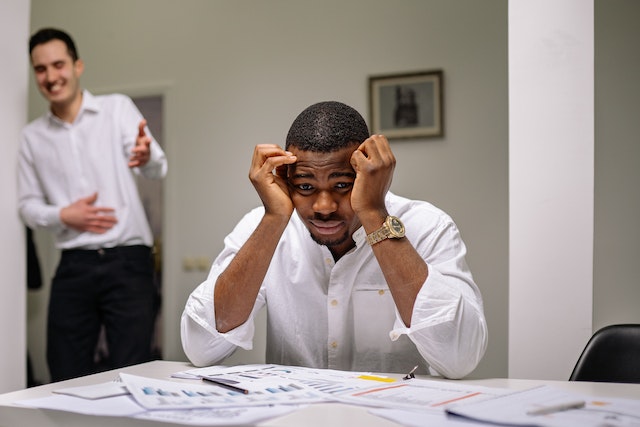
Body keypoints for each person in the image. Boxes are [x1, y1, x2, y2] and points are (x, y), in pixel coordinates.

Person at [181, 101, 486, 379]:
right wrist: (274, 219)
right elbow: (201, 348)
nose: (323, 207)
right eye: (305, 186)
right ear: (286, 179)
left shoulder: (428, 226)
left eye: (342, 184)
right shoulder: (264, 226)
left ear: (368, 173)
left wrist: (373, 213)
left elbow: (459, 358)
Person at [18, 28, 168, 382]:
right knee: (64, 370)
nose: (51, 77)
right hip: (74, 266)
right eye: (41, 69)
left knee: (134, 372)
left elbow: (159, 168)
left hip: (129, 263)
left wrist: (146, 156)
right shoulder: (31, 137)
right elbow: (26, 205)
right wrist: (62, 215)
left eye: (58, 65)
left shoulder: (117, 109)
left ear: (77, 65)